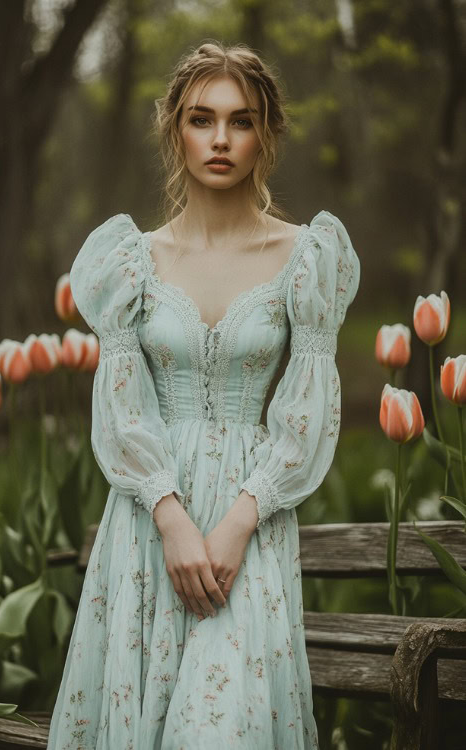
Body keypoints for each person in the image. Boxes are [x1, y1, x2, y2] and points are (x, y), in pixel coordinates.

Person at [47, 40, 360, 750]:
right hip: (149, 525)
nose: (220, 139)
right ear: (174, 129)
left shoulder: (303, 259)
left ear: (266, 135)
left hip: (250, 520)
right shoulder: (133, 261)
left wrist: (240, 519)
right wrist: (170, 517)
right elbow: (123, 404)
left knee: (220, 728)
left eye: (241, 121)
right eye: (201, 119)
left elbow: (308, 411)